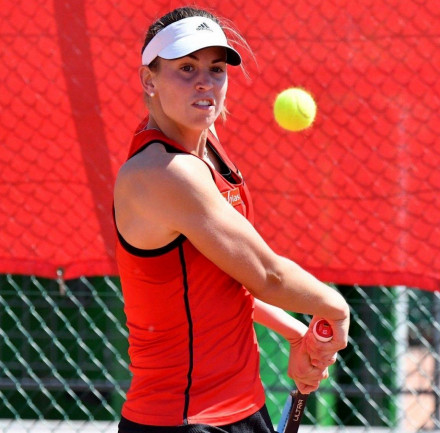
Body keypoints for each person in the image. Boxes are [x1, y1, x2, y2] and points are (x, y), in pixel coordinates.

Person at [113, 6, 350, 433]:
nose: (205, 81)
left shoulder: (207, 147)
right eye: (186, 68)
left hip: (240, 407)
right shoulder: (164, 173)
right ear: (149, 80)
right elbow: (266, 274)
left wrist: (295, 332)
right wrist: (335, 307)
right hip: (183, 421)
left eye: (216, 68)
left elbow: (221, 281)